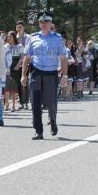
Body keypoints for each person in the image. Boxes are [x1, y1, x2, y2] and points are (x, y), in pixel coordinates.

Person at [21, 12, 68, 140]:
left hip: (51, 73)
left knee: (51, 102)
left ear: (50, 24)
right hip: (36, 71)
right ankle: (38, 130)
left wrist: (65, 75)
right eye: (41, 22)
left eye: (46, 22)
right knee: (35, 101)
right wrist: (23, 75)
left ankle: (53, 121)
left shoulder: (57, 38)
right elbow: (27, 58)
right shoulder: (33, 38)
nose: (44, 24)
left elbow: (63, 58)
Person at [4, 31, 23, 111]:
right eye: (8, 37)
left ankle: (14, 105)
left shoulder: (19, 46)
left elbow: (22, 56)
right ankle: (7, 104)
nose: (8, 38)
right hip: (7, 65)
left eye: (10, 37)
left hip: (16, 66)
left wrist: (18, 65)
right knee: (7, 86)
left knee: (14, 86)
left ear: (14, 37)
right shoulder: (5, 46)